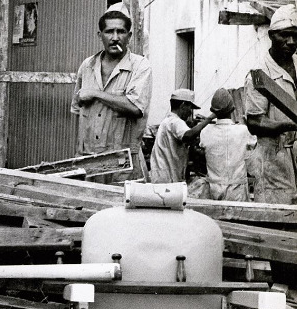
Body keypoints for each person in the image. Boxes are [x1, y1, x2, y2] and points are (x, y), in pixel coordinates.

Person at [71, 10, 152, 169]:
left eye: (121, 32)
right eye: (109, 31)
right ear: (99, 35)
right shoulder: (87, 66)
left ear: (129, 36)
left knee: (120, 194)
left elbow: (135, 107)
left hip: (122, 162)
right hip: (88, 159)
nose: (115, 38)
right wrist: (77, 153)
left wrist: (95, 93)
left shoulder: (140, 66)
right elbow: (76, 109)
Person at [244, 4, 297, 203]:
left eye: (295, 36)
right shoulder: (259, 74)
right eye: (284, 35)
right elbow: (254, 122)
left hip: (296, 153)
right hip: (274, 157)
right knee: (277, 212)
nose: (291, 42)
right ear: (271, 35)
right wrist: (288, 126)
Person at [200, 88, 256, 201]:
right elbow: (254, 144)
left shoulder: (205, 131)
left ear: (213, 111)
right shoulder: (243, 131)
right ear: (233, 109)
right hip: (237, 191)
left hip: (214, 189)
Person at [149, 90, 217, 184]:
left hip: (162, 176)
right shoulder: (175, 121)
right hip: (167, 179)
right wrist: (209, 119)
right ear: (183, 105)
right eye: (190, 108)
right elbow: (188, 135)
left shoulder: (168, 121)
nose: (190, 112)